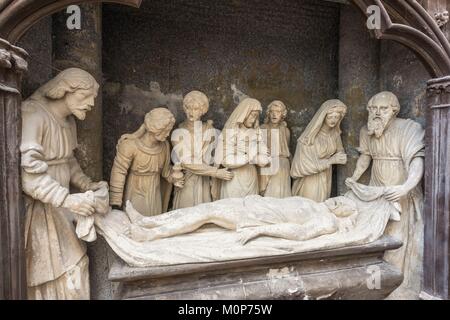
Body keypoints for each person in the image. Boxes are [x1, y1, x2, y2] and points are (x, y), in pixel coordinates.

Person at [21, 68, 107, 299]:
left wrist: (87, 184)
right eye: (85, 96)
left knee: (76, 266)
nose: (90, 104)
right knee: (50, 272)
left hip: (63, 206)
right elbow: (28, 174)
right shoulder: (33, 114)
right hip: (41, 209)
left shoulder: (68, 121)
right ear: (65, 90)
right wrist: (68, 200)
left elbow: (68, 162)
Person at [345, 91, 425, 299]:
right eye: (373, 109)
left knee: (397, 240)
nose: (377, 113)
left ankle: (398, 287)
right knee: (376, 238)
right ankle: (376, 286)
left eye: (383, 109)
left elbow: (417, 160)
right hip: (376, 191)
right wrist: (354, 177)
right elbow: (365, 157)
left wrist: (405, 187)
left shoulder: (409, 129)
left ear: (394, 110)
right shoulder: (367, 130)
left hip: (400, 193)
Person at [125, 195, 358, 245]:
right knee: (203, 208)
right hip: (250, 202)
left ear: (344, 215)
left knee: (206, 214)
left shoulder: (327, 221)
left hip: (254, 217)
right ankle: (148, 220)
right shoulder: (316, 203)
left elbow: (298, 233)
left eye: (344, 206)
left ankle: (152, 234)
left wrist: (259, 231)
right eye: (340, 199)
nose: (338, 202)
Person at [109, 108, 183, 216]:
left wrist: (174, 178)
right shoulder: (130, 146)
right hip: (136, 190)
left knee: (154, 221)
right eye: (166, 130)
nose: (168, 134)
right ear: (156, 128)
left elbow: (165, 172)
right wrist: (115, 200)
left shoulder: (164, 146)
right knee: (136, 219)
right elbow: (119, 171)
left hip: (155, 192)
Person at [171, 91, 233, 209]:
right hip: (187, 180)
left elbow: (224, 149)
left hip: (204, 181)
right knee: (185, 216)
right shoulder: (178, 133)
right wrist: (216, 172)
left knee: (204, 215)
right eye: (188, 108)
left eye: (195, 109)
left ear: (202, 110)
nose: (191, 112)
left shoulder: (210, 131)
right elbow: (187, 161)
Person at [291, 99, 347, 202]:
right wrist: (331, 161)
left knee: (321, 208)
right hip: (310, 180)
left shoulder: (334, 134)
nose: (333, 120)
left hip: (325, 175)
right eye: (330, 117)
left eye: (336, 117)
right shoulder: (309, 138)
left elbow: (340, 150)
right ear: (323, 117)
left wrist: (341, 155)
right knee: (311, 206)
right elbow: (303, 166)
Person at [214, 98, 271, 199]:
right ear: (244, 113)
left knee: (251, 212)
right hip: (234, 178)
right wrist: (250, 155)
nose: (254, 120)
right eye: (252, 115)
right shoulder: (230, 133)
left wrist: (250, 156)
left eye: (256, 117)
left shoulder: (256, 133)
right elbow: (226, 161)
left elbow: (265, 160)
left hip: (251, 177)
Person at [260, 100, 292, 198]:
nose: (274, 114)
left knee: (282, 194)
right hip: (268, 163)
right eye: (272, 111)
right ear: (268, 113)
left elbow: (287, 149)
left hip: (283, 164)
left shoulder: (285, 130)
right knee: (269, 193)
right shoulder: (262, 128)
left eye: (278, 112)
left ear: (282, 114)